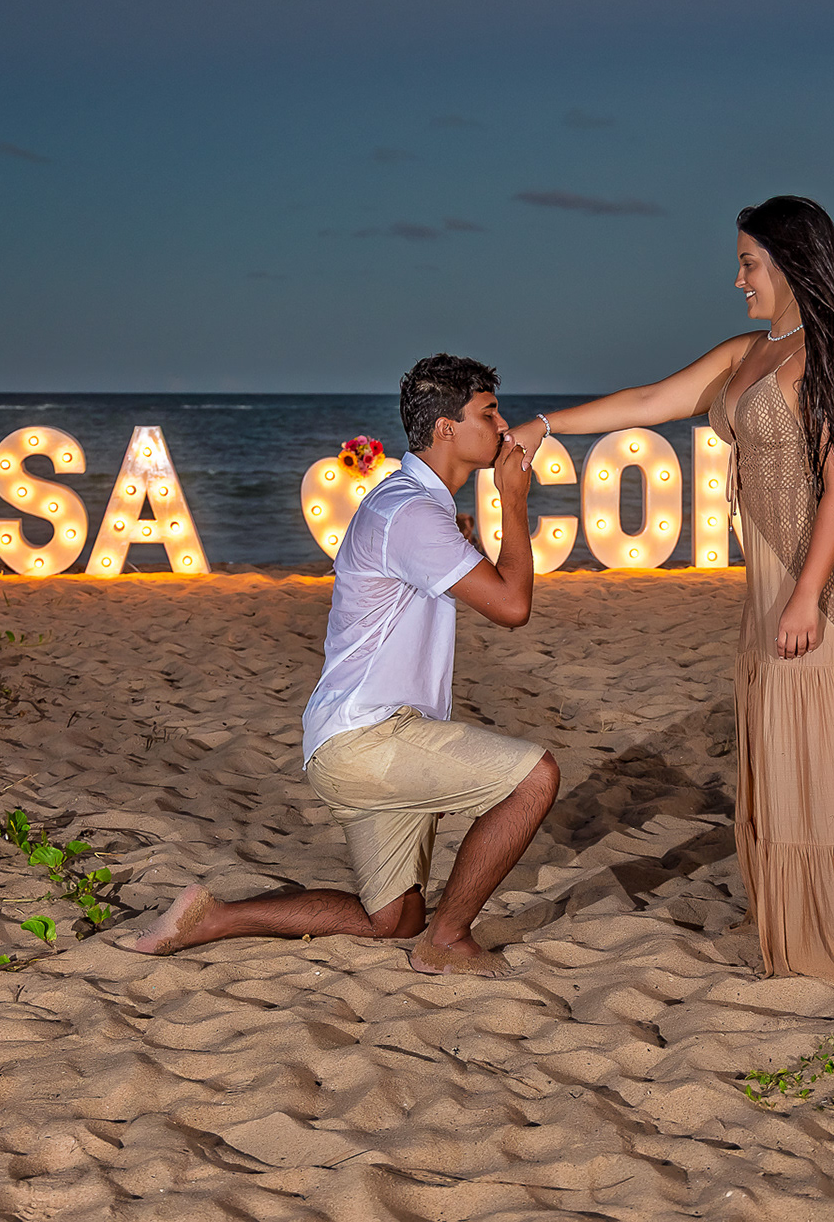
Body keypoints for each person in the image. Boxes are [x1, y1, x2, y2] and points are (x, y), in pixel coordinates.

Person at [507, 196, 834, 981]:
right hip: (772, 592)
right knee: (794, 768)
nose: (739, 279)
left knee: (826, 766)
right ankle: (810, 938)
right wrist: (545, 426)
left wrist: (806, 595)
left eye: (749, 263)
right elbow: (649, 402)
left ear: (789, 264)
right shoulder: (748, 352)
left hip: (828, 590)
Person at [133, 354, 560, 978]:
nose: (502, 426)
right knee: (534, 779)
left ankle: (214, 918)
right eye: (488, 413)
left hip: (354, 737)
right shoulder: (411, 512)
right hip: (370, 737)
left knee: (393, 920)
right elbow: (512, 606)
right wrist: (513, 501)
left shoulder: (412, 503)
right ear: (446, 429)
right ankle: (447, 941)